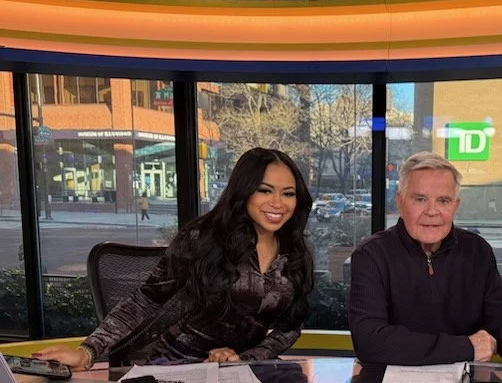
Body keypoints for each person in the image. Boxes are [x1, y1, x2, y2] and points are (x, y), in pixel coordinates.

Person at [34, 147, 314, 369]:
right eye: (265, 190)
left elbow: (289, 329)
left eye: (287, 194)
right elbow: (144, 301)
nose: (278, 203)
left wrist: (244, 360)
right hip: (168, 368)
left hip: (237, 376)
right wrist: (88, 352)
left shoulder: (296, 254)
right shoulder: (202, 239)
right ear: (244, 193)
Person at [348, 152, 502, 372]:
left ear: (455, 205)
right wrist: (465, 347)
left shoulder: (477, 251)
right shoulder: (371, 255)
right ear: (400, 202)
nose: (432, 211)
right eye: (420, 199)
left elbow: (501, 319)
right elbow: (370, 341)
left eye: (443, 201)